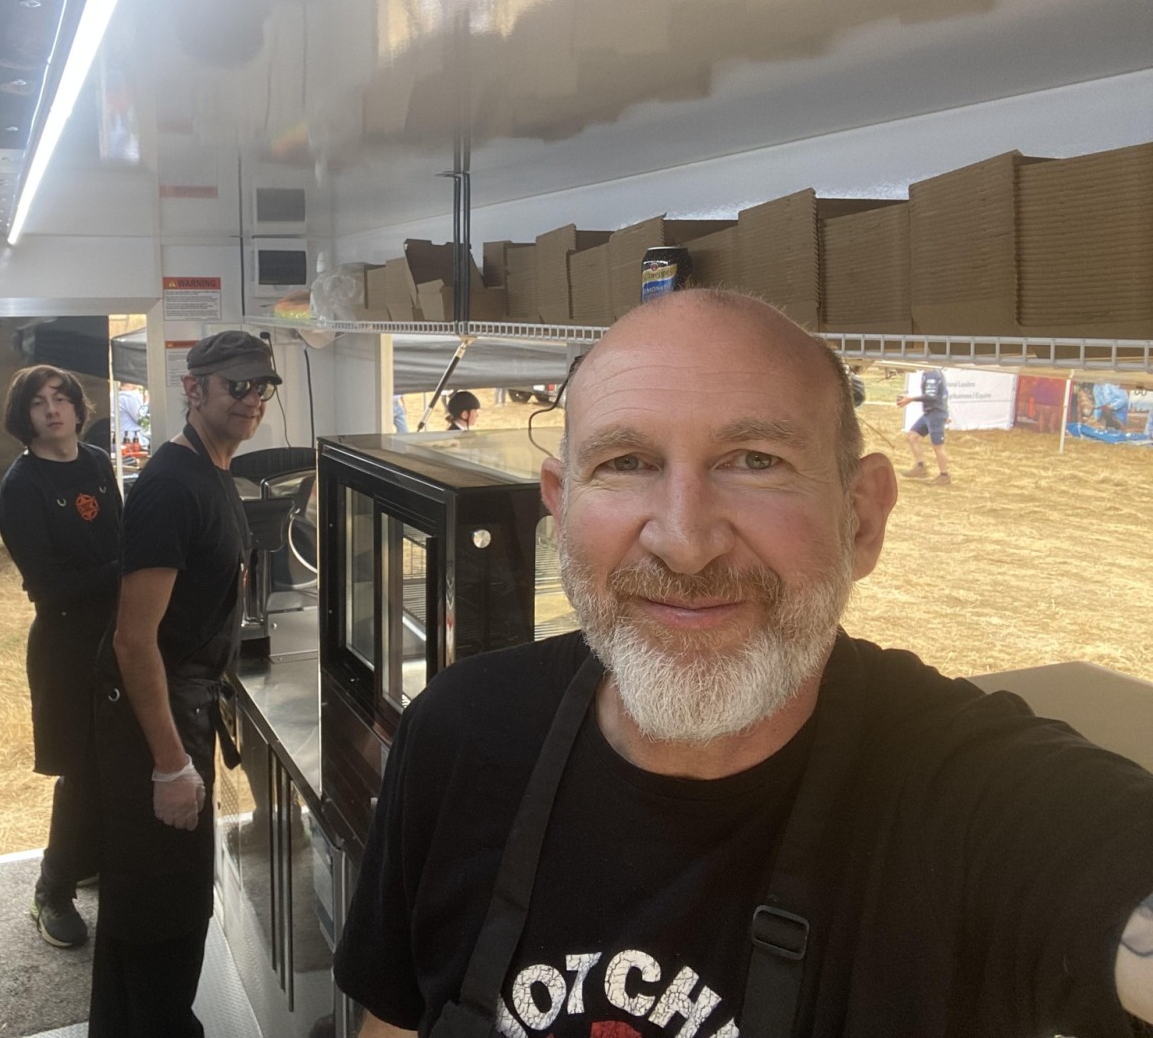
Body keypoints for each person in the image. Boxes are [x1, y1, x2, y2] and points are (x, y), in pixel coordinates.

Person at [334, 289, 1153, 1037]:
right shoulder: (462, 732)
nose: (685, 543)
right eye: (626, 463)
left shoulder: (971, 802)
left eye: (756, 460)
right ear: (561, 506)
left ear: (861, 519)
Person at [91, 330, 280, 1036]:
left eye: (263, 387)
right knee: (164, 911)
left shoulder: (214, 470)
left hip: (184, 698)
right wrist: (170, 765)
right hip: (154, 719)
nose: (252, 400)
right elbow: (132, 637)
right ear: (194, 389)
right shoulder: (172, 486)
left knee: (143, 907)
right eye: (238, 386)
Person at [0, 365, 122, 949]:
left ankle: (88, 859)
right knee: (81, 768)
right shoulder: (21, 487)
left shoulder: (96, 461)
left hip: (118, 634)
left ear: (76, 407)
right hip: (66, 644)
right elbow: (47, 586)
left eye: (62, 398)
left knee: (116, 760)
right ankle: (52, 891)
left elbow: (118, 534)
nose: (53, 410)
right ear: (23, 416)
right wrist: (125, 571)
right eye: (38, 402)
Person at [896, 366, 950, 485]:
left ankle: (944, 475)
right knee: (912, 436)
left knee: (938, 446)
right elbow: (944, 393)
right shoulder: (930, 373)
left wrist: (910, 399)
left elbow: (931, 396)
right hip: (930, 413)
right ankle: (920, 467)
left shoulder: (932, 374)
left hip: (935, 414)